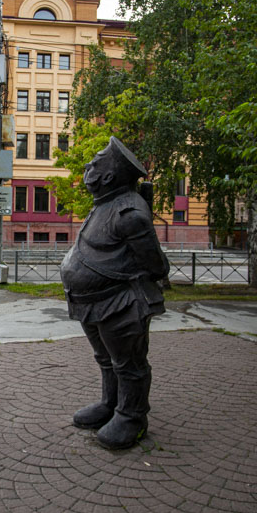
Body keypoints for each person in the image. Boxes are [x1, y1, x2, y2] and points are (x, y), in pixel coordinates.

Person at [60, 137, 169, 450]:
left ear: (107, 177)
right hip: (92, 304)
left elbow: (157, 265)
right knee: (106, 359)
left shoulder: (130, 213)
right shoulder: (105, 204)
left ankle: (132, 416)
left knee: (129, 363)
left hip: (120, 303)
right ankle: (110, 404)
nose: (88, 167)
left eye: (95, 164)